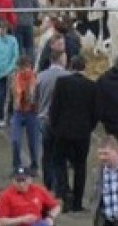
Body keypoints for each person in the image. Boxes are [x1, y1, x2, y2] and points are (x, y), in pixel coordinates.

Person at [50, 55, 97, 212]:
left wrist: (55, 126)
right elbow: (95, 112)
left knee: (58, 162)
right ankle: (77, 202)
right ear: (84, 68)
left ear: (71, 67)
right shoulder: (91, 86)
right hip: (83, 132)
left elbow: (54, 107)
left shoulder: (62, 83)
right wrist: (89, 127)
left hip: (63, 131)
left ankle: (65, 192)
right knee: (80, 166)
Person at [35, 49, 70, 192]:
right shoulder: (67, 77)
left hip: (44, 119)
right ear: (61, 60)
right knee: (60, 155)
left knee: (47, 152)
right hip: (62, 121)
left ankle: (48, 182)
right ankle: (59, 185)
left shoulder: (40, 77)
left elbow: (34, 98)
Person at [9, 56, 39, 170]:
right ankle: (16, 165)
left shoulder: (35, 78)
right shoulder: (14, 77)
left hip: (32, 111)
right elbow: (9, 95)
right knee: (15, 140)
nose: (23, 71)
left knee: (33, 143)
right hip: (18, 111)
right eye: (21, 69)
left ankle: (34, 165)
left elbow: (38, 96)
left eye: (25, 68)